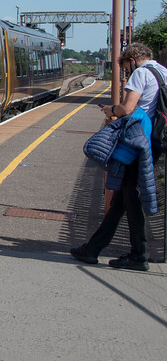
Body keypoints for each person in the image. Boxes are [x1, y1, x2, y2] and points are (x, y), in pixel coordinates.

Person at [71, 43, 167, 271]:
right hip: (156, 140)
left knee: (129, 196)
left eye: (126, 69)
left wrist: (111, 110)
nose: (127, 74)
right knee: (123, 197)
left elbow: (127, 108)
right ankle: (93, 249)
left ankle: (139, 256)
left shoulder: (141, 73)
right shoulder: (163, 72)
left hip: (138, 141)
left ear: (132, 60)